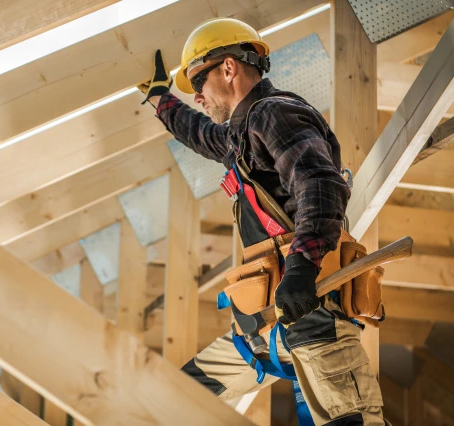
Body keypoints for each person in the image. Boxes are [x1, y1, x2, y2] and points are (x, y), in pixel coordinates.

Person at [138, 18, 385, 425]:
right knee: (175, 396)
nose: (197, 97)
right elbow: (197, 132)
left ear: (229, 68)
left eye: (198, 83)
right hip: (268, 325)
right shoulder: (242, 133)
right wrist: (160, 98)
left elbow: (319, 184)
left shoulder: (274, 114)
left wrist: (303, 268)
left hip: (313, 318)